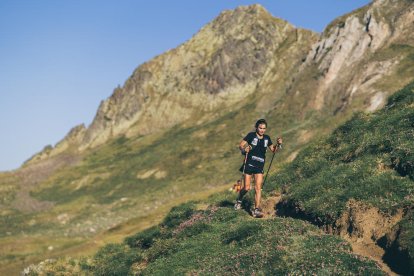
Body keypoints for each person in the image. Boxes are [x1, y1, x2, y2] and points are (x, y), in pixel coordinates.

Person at [234, 119, 282, 218]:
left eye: (264, 128)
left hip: (259, 166)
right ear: (256, 127)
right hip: (249, 163)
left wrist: (279, 144)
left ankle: (256, 210)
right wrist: (244, 150)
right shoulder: (251, 135)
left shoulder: (267, 138)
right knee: (246, 187)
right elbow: (241, 145)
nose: (262, 130)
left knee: (258, 188)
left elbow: (273, 150)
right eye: (260, 128)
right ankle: (239, 200)